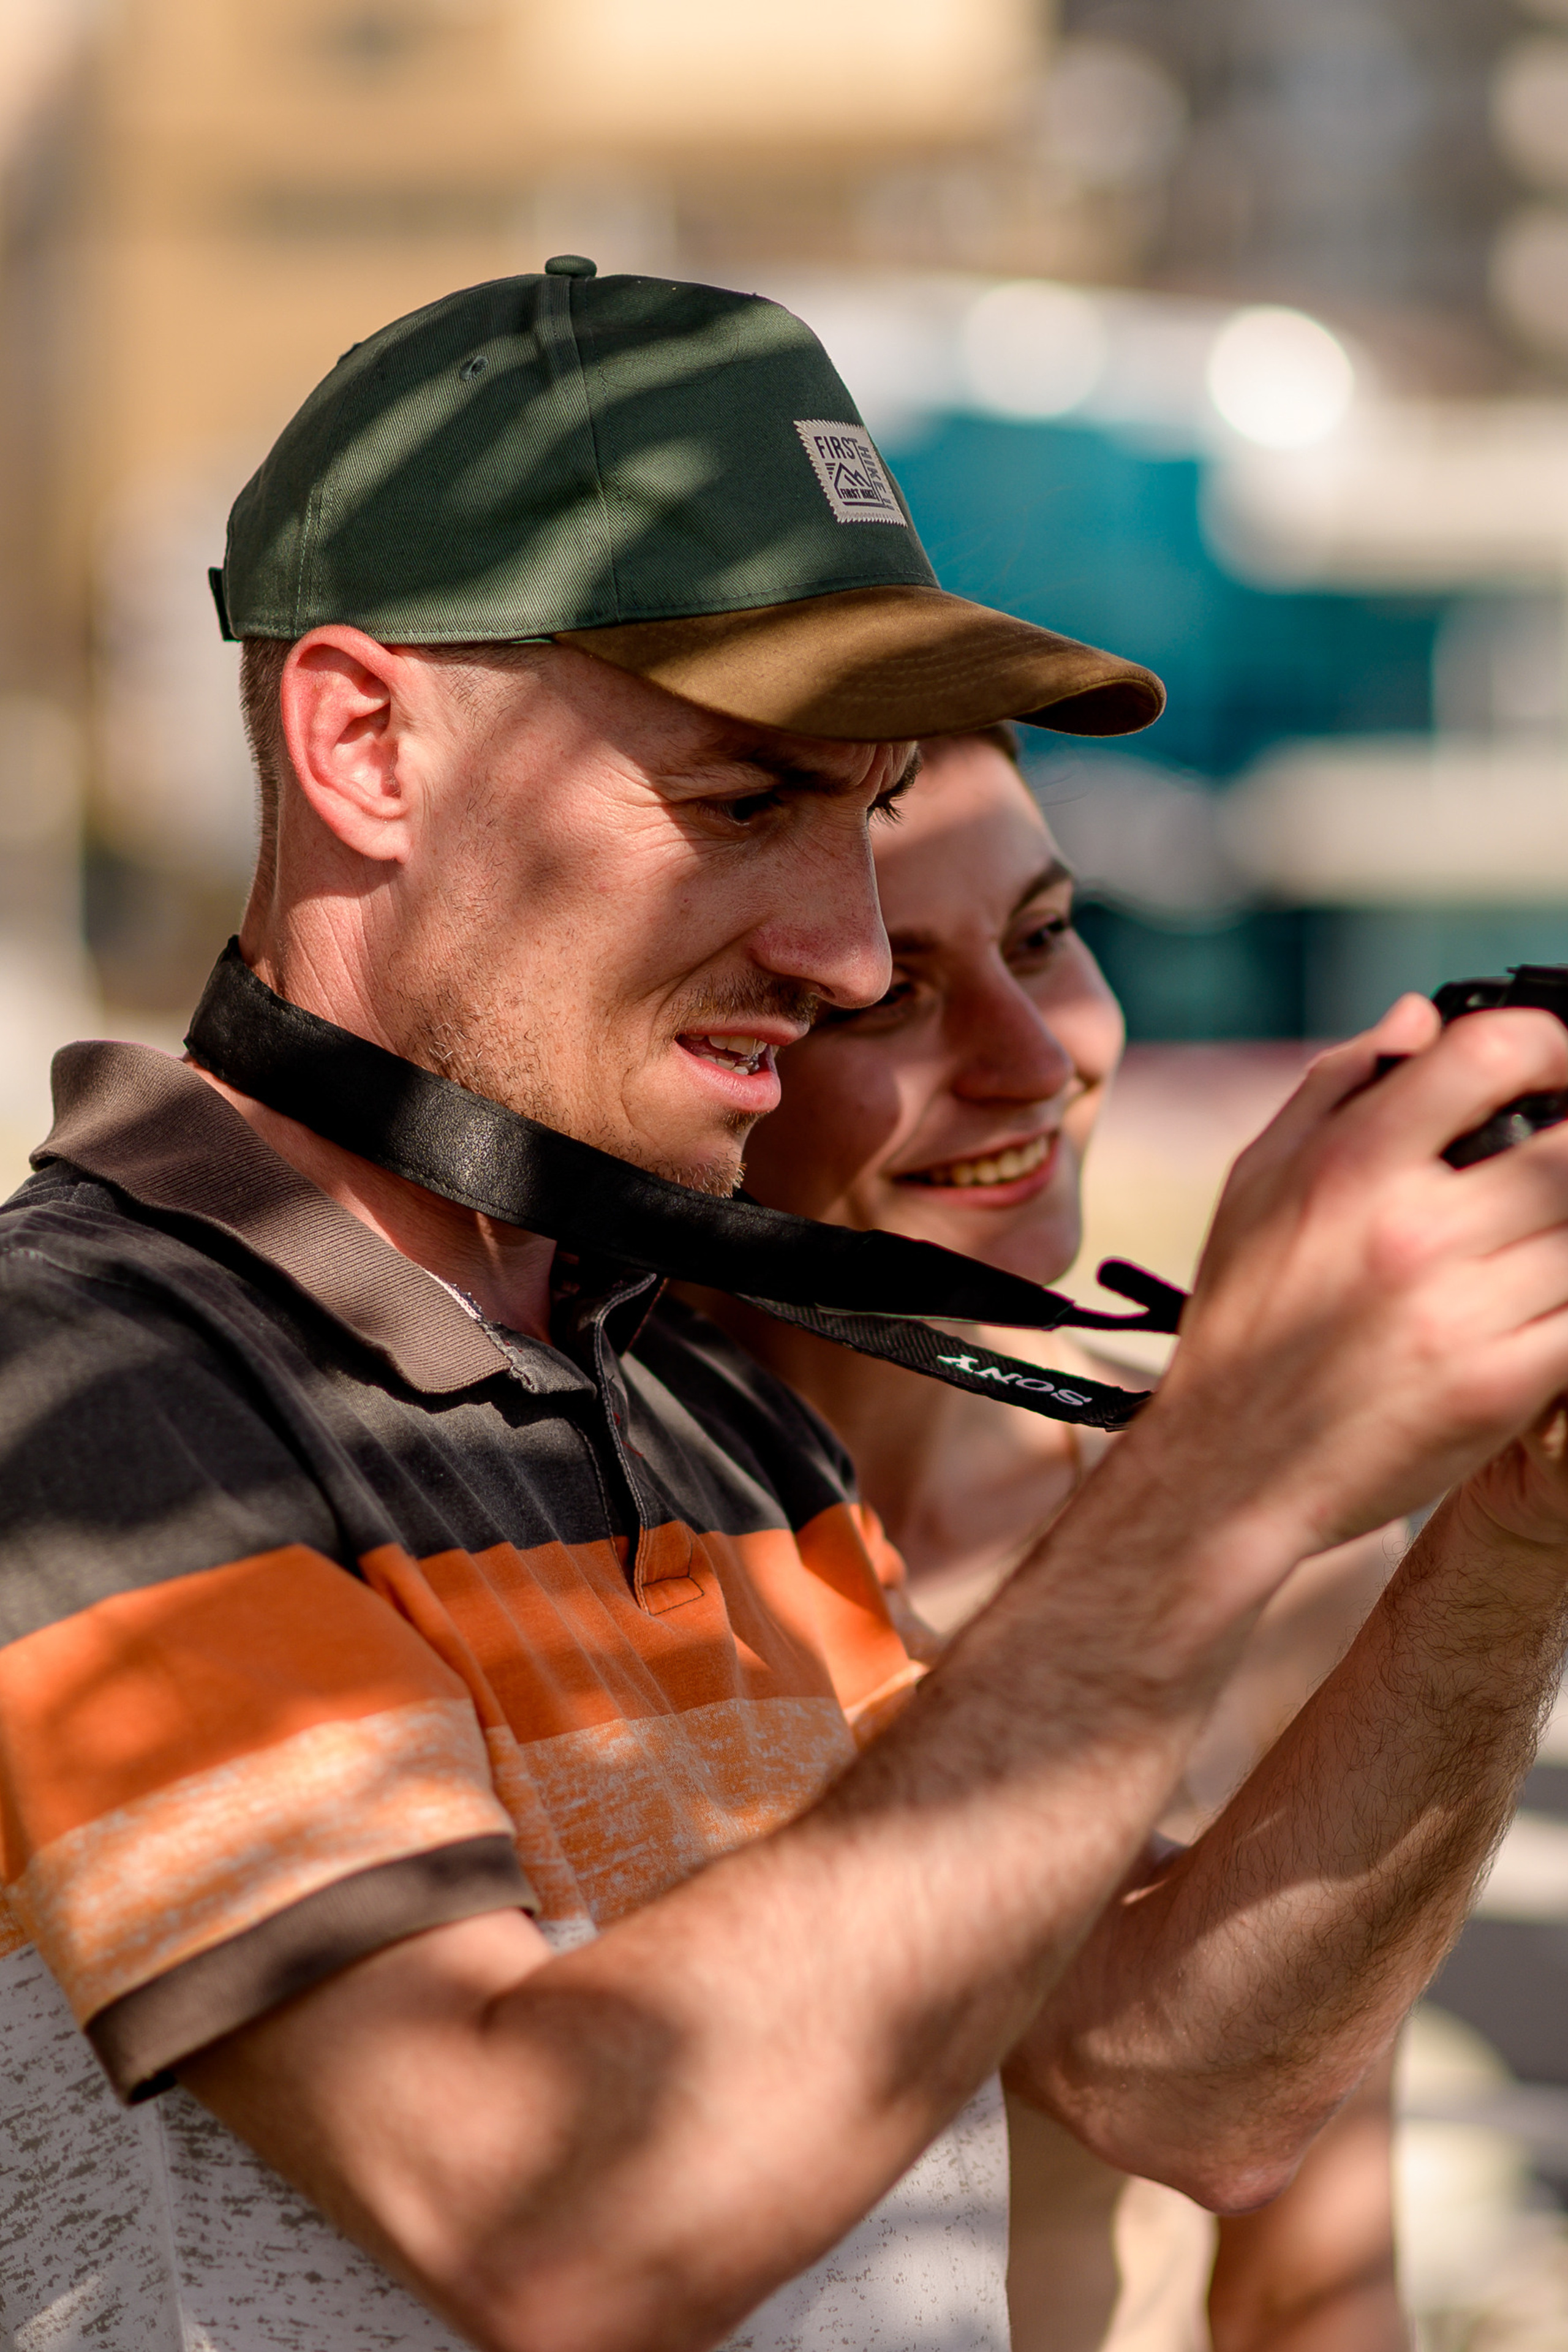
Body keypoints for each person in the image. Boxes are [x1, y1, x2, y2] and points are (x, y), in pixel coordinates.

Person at [3, 260, 1568, 2352]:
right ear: (366, 741)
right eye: (747, 802)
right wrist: (1233, 1461)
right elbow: (541, 2219)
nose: (843, 953)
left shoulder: (682, 1386)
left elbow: (1158, 2076)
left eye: (858, 806)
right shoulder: (86, 1387)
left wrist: (1516, 1517)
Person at [706, 725, 1407, 2351]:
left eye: (1043, 938)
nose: (1039, 1058)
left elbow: (1313, 2280)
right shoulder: (551, 1520)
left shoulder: (1281, 1543)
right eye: (891, 990)